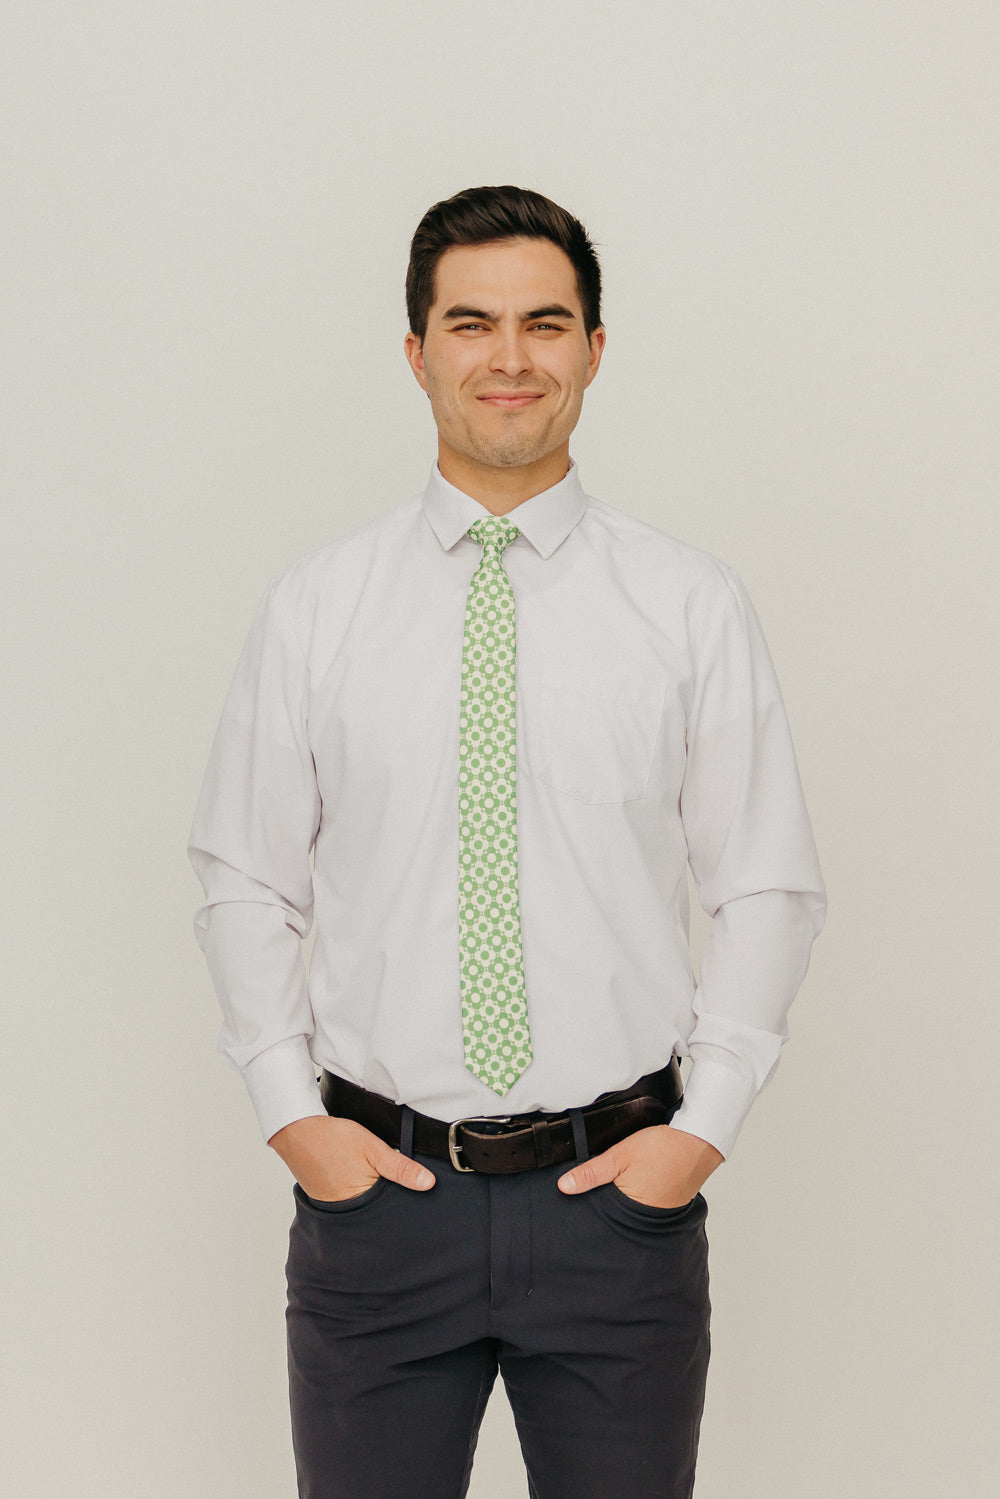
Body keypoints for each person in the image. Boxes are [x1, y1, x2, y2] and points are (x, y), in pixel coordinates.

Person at [189, 184, 826, 1499]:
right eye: (471, 324)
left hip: (616, 1213)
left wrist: (698, 1134)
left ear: (595, 348)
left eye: (546, 322)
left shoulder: (688, 605)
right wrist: (295, 1120)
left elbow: (766, 883)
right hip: (379, 1211)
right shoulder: (318, 608)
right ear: (417, 353)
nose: (511, 357)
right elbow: (246, 878)